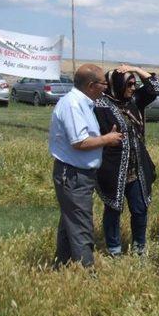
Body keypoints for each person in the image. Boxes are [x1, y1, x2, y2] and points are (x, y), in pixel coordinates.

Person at [48, 64, 123, 267]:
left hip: (79, 174)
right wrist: (108, 139)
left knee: (70, 222)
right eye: (103, 84)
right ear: (91, 85)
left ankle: (60, 266)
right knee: (81, 225)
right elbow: (79, 142)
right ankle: (86, 273)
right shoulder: (73, 105)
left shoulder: (83, 103)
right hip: (73, 175)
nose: (105, 88)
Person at [94, 65, 159, 256]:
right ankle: (114, 250)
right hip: (112, 170)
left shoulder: (135, 101)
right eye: (129, 84)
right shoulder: (100, 106)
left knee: (140, 209)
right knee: (113, 210)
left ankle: (139, 248)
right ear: (116, 85)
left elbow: (155, 88)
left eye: (134, 83)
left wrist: (135, 69)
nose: (133, 87)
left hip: (137, 168)